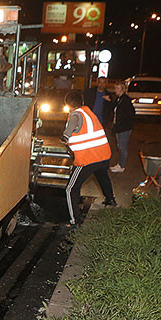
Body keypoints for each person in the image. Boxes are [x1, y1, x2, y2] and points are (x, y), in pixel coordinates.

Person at [62, 90, 116, 226]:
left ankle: (75, 221)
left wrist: (65, 137)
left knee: (71, 189)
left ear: (68, 105)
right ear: (82, 102)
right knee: (102, 176)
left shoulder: (75, 115)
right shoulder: (89, 113)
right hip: (103, 156)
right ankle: (110, 199)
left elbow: (69, 131)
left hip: (87, 159)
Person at [110, 81, 136, 173]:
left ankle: (122, 165)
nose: (115, 90)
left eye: (117, 88)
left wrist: (121, 124)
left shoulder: (125, 100)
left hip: (124, 127)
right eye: (115, 88)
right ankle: (120, 163)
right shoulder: (119, 99)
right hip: (119, 126)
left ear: (122, 89)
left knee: (122, 146)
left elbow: (129, 114)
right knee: (120, 145)